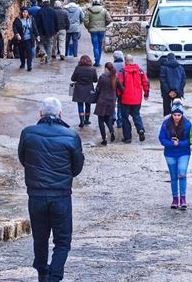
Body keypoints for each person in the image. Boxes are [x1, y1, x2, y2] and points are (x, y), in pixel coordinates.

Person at [18, 97, 84, 282]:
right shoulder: (71, 136)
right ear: (60, 114)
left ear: (40, 114)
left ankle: (42, 272)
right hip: (61, 195)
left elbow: (23, 159)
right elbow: (77, 168)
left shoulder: (28, 133)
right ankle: (54, 276)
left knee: (40, 237)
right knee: (62, 241)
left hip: (36, 195)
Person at [158, 101, 191, 209]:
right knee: (173, 176)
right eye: (175, 115)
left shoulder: (187, 124)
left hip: (183, 152)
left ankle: (183, 198)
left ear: (182, 115)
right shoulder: (166, 124)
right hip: (170, 153)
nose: (177, 117)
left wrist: (179, 143)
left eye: (179, 115)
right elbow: (162, 138)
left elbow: (190, 140)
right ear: (172, 115)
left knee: (182, 174)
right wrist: (172, 144)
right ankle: (175, 198)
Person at [117, 53, 149, 143]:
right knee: (136, 115)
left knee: (125, 118)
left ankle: (127, 137)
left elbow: (119, 85)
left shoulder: (122, 71)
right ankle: (140, 129)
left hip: (125, 99)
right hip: (137, 99)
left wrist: (118, 95)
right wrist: (146, 93)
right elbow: (145, 83)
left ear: (125, 61)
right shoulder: (140, 71)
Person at [94, 62, 121, 145]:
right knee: (107, 118)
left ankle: (104, 138)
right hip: (111, 101)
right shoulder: (115, 77)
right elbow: (122, 89)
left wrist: (95, 98)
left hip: (102, 101)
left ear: (106, 69)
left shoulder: (102, 77)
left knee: (101, 120)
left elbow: (98, 89)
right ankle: (112, 131)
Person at [70, 55, 98, 128]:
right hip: (89, 89)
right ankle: (86, 120)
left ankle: (81, 121)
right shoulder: (93, 69)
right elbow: (95, 80)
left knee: (80, 105)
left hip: (79, 89)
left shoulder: (77, 68)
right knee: (88, 105)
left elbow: (73, 78)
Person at [83, 0, 112, 67]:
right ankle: (98, 61)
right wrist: (104, 25)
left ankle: (97, 61)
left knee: (95, 46)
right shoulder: (104, 10)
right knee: (100, 46)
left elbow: (85, 21)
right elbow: (109, 19)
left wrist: (89, 27)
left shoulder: (89, 11)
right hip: (101, 30)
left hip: (93, 31)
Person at [13, 7, 40, 72]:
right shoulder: (18, 19)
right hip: (21, 39)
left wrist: (37, 35)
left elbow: (34, 28)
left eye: (26, 12)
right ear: (21, 13)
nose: (25, 13)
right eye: (24, 12)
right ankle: (22, 63)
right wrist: (17, 34)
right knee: (21, 52)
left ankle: (29, 66)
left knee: (29, 53)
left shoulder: (31, 19)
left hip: (29, 38)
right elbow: (14, 27)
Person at [35, 0, 58, 64]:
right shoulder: (53, 11)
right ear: (49, 2)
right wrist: (56, 30)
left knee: (39, 43)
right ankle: (48, 60)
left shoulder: (39, 11)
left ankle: (43, 52)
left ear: (42, 2)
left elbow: (37, 23)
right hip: (50, 32)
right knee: (49, 45)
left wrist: (37, 33)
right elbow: (55, 22)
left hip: (41, 32)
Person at [112, 50, 125, 129]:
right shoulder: (124, 65)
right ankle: (120, 122)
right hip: (121, 88)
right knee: (120, 105)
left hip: (113, 88)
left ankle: (113, 116)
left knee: (113, 104)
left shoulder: (111, 66)